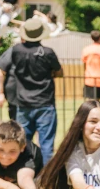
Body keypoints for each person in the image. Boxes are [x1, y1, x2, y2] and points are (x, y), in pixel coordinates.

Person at [4, 17, 62, 163]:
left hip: (23, 104)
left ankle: (23, 173)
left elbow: (5, 68)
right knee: (46, 146)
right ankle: (45, 180)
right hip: (45, 104)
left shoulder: (16, 50)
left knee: (22, 144)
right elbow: (59, 72)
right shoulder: (48, 52)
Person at [80, 30, 100, 101]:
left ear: (91, 38)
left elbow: (84, 62)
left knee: (90, 100)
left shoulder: (86, 50)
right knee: (98, 100)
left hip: (89, 78)